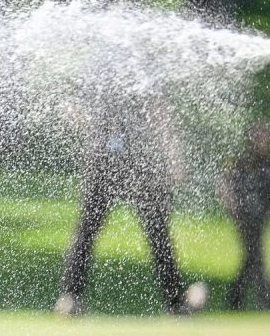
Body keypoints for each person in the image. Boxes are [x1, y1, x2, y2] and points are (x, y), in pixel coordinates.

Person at [55, 90, 207, 316]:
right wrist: (175, 159)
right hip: (138, 159)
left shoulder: (100, 66)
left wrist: (97, 131)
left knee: (89, 230)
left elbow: (70, 104)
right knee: (156, 232)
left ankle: (70, 298)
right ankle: (175, 302)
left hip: (106, 158)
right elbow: (160, 111)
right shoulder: (140, 64)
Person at [219, 121, 270, 310]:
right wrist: (230, 203)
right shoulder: (238, 160)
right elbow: (223, 183)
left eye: (263, 137)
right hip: (243, 215)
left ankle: (234, 298)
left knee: (252, 256)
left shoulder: (267, 163)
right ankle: (263, 299)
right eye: (257, 136)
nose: (261, 141)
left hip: (260, 214)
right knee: (255, 253)